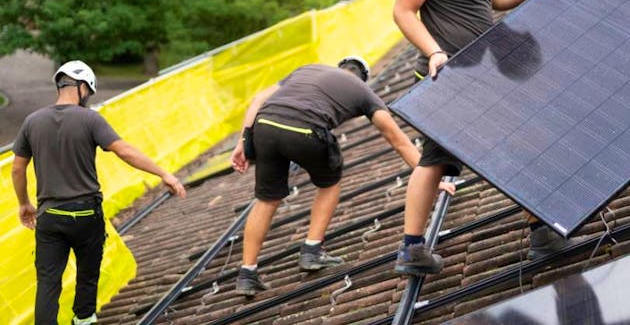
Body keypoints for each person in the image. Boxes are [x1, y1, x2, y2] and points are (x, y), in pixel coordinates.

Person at [392, 0, 562, 276]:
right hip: (445, 72)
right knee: (435, 160)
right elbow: (402, 11)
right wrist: (433, 51)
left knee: (516, 137)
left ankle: (539, 228)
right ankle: (411, 249)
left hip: (484, 67)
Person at [229, 57, 453, 295]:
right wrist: (431, 180)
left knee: (267, 199)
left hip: (265, 126)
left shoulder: (307, 68)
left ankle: (247, 274)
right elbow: (397, 139)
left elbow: (258, 100)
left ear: (340, 68)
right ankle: (312, 251)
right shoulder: (364, 92)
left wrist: (243, 141)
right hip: (305, 128)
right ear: (364, 77)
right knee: (329, 182)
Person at [11, 61, 187, 325]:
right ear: (82, 87)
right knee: (87, 273)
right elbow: (124, 151)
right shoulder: (90, 119)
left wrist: (24, 203)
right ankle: (83, 319)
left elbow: (17, 169)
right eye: (88, 93)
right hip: (85, 213)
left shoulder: (32, 122)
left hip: (50, 215)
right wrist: (164, 174)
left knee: (48, 282)